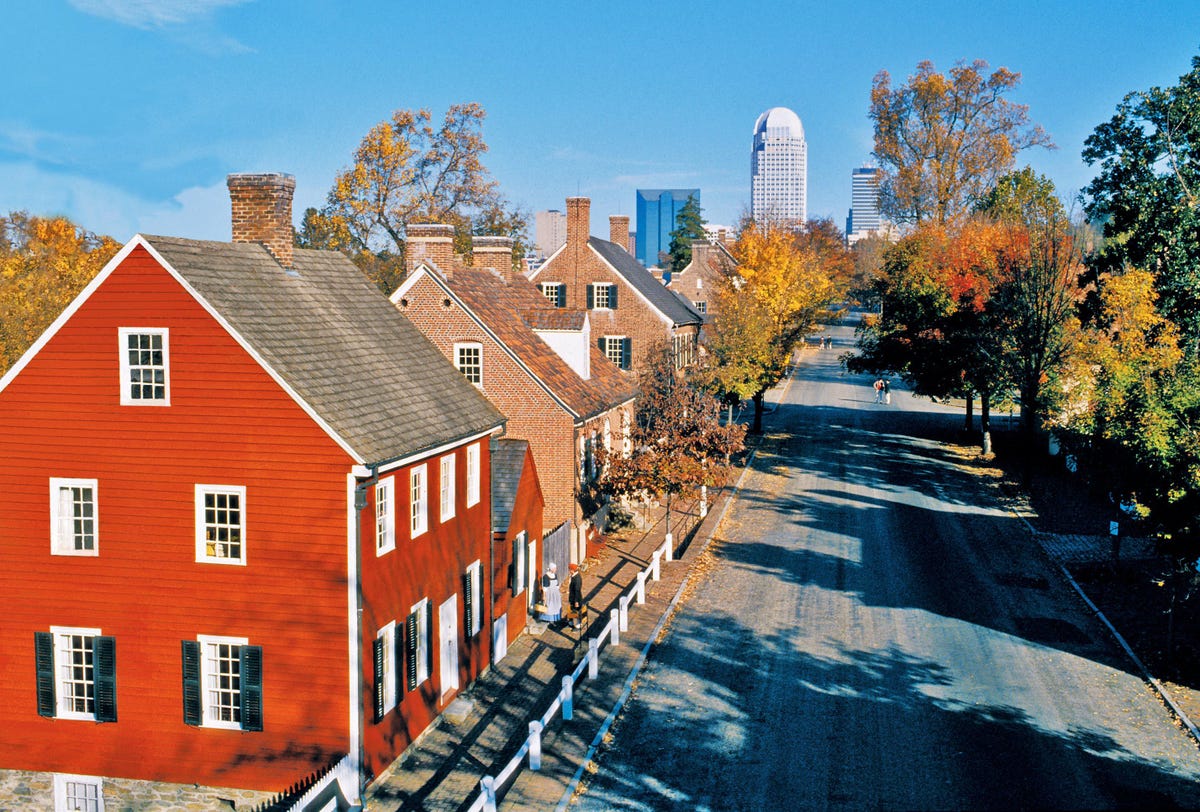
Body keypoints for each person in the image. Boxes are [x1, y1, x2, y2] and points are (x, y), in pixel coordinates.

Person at [567, 563, 584, 630]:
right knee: (572, 610)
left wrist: (576, 601)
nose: (569, 571)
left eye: (570, 570)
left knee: (576, 611)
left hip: (576, 598)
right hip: (573, 597)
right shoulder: (574, 576)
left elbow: (577, 590)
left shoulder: (577, 579)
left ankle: (577, 625)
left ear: (572, 570)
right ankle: (571, 622)